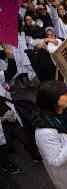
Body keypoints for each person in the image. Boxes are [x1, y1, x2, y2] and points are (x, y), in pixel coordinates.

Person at [0, 45, 22, 174]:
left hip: (4, 111)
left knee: (7, 137)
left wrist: (10, 56)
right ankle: (5, 164)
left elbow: (9, 72)